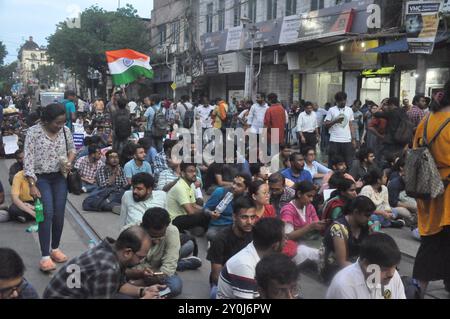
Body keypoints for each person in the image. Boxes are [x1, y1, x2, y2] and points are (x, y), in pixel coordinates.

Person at [43, 226, 165, 299]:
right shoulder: (108, 268)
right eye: (140, 257)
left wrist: (144, 291)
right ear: (128, 252)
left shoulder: (112, 250)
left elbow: (119, 285)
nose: (142, 261)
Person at [24, 103, 76, 272]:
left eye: (63, 122)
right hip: (41, 178)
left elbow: (72, 149)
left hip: (60, 177)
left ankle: (55, 248)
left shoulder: (65, 131)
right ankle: (45, 256)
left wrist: (69, 161)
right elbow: (28, 160)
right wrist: (32, 184)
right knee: (47, 213)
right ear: (45, 121)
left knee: (59, 214)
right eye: (57, 123)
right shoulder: (33, 132)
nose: (60, 126)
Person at [412, 80, 450, 296]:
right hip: (448, 196)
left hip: (429, 191)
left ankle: (417, 289)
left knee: (431, 243)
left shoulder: (428, 120)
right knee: (436, 246)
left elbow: (415, 149)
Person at [217, 218, 285, 299]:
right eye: (284, 237)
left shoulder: (262, 253)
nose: (286, 241)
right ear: (275, 245)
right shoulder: (245, 266)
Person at [326, 233, 406, 299]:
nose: (391, 274)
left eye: (394, 266)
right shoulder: (344, 286)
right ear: (366, 265)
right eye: (384, 269)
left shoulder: (393, 274)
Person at [125, 208, 184, 298]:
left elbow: (168, 268)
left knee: (175, 286)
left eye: (160, 237)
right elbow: (120, 265)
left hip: (158, 271)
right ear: (142, 227)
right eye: (152, 237)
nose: (156, 242)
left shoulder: (171, 231)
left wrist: (143, 282)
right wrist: (137, 274)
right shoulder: (129, 231)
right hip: (134, 271)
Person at [207, 195, 256, 299]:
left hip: (249, 279)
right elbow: (216, 276)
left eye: (252, 217)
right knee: (214, 294)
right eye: (244, 217)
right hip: (226, 282)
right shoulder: (220, 239)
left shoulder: (255, 235)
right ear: (234, 217)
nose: (249, 222)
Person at [319, 196, 375, 283]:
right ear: (356, 212)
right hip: (333, 269)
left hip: (353, 264)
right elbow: (342, 263)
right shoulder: (338, 229)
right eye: (367, 215)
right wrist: (368, 272)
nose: (369, 219)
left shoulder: (364, 226)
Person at [281, 181, 326, 266]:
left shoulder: (309, 206)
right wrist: (309, 227)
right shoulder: (288, 210)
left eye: (313, 196)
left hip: (308, 241)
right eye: (309, 196)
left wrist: (321, 225)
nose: (311, 199)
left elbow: (316, 223)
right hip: (294, 245)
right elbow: (288, 236)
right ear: (299, 194)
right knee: (319, 254)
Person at [204, 174, 252, 242]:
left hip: (237, 226)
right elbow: (205, 208)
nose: (233, 186)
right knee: (211, 234)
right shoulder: (220, 192)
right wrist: (211, 213)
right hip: (219, 226)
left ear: (246, 189)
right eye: (234, 183)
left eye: (239, 185)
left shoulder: (246, 198)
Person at [167, 162, 210, 234]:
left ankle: (196, 229)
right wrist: (206, 212)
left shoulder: (191, 185)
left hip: (184, 215)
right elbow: (191, 211)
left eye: (195, 171)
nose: (194, 174)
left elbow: (194, 205)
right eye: (190, 171)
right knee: (204, 216)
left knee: (207, 213)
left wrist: (208, 210)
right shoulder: (180, 187)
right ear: (183, 174)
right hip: (174, 220)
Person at [324, 92, 355, 168]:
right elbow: (325, 124)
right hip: (335, 140)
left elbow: (351, 125)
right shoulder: (331, 110)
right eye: (341, 100)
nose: (343, 102)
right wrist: (335, 121)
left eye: (344, 100)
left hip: (347, 140)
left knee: (348, 163)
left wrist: (353, 139)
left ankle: (347, 178)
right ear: (337, 101)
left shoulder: (349, 110)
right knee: (333, 162)